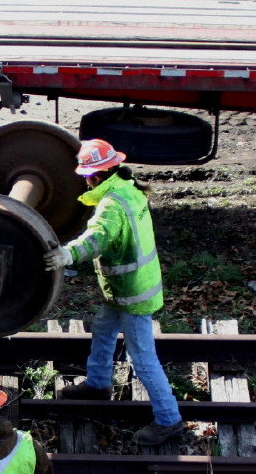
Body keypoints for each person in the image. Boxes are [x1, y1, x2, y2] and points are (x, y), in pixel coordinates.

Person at [45, 137, 183, 448]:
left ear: (94, 176)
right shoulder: (128, 188)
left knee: (143, 358)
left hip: (132, 294)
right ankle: (97, 384)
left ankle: (169, 419)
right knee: (104, 329)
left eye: (85, 177)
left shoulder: (111, 205)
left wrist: (67, 255)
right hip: (129, 286)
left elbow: (98, 238)